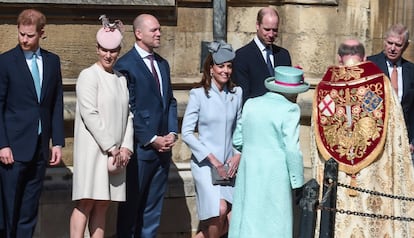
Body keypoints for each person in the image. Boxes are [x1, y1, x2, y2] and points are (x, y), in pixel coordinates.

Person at [311, 39, 414, 237]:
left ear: (339, 58)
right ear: (364, 58)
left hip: (338, 179)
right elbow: (396, 132)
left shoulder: (324, 90)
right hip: (372, 178)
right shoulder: (379, 85)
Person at [0, 9, 65, 238]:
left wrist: (57, 142)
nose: (24, 40)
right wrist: (2, 145)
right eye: (21, 34)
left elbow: (56, 103)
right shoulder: (6, 62)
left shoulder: (52, 61)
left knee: (29, 209)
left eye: (29, 35)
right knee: (9, 210)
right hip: (12, 150)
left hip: (39, 148)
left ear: (41, 33)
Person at [69, 17, 133, 238]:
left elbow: (128, 116)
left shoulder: (121, 79)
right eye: (104, 50)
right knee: (86, 201)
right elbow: (90, 113)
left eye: (113, 50)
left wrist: (126, 147)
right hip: (93, 150)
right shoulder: (88, 75)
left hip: (115, 153)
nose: (109, 55)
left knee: (104, 203)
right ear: (97, 49)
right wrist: (112, 146)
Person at [115, 14, 178, 238]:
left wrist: (171, 132)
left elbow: (170, 100)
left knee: (152, 212)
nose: (159, 33)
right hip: (140, 151)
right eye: (154, 30)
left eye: (159, 29)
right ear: (139, 33)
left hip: (163, 152)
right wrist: (151, 138)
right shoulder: (125, 65)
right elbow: (128, 109)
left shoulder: (162, 64)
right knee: (131, 210)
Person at [228, 66, 309, 237]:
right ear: (293, 93)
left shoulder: (251, 104)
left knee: (249, 220)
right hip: (276, 175)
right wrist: (298, 182)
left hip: (249, 172)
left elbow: (237, 140)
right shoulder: (290, 109)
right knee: (274, 224)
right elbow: (292, 150)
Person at [181, 41, 242, 238]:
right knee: (220, 210)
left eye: (229, 66)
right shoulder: (198, 95)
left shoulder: (236, 93)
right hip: (206, 165)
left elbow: (239, 129)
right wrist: (212, 159)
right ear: (211, 68)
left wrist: (238, 155)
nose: (226, 70)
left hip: (228, 166)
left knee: (234, 218)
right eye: (221, 66)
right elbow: (187, 132)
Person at [367, 23, 414, 155]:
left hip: (404, 139)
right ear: (384, 41)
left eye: (398, 45)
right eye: (389, 43)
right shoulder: (370, 65)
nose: (392, 48)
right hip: (375, 137)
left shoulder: (411, 71)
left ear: (406, 46)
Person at [233, 7, 292, 104]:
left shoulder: (283, 55)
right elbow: (243, 96)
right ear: (257, 25)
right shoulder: (242, 56)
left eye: (275, 30)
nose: (271, 34)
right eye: (267, 29)